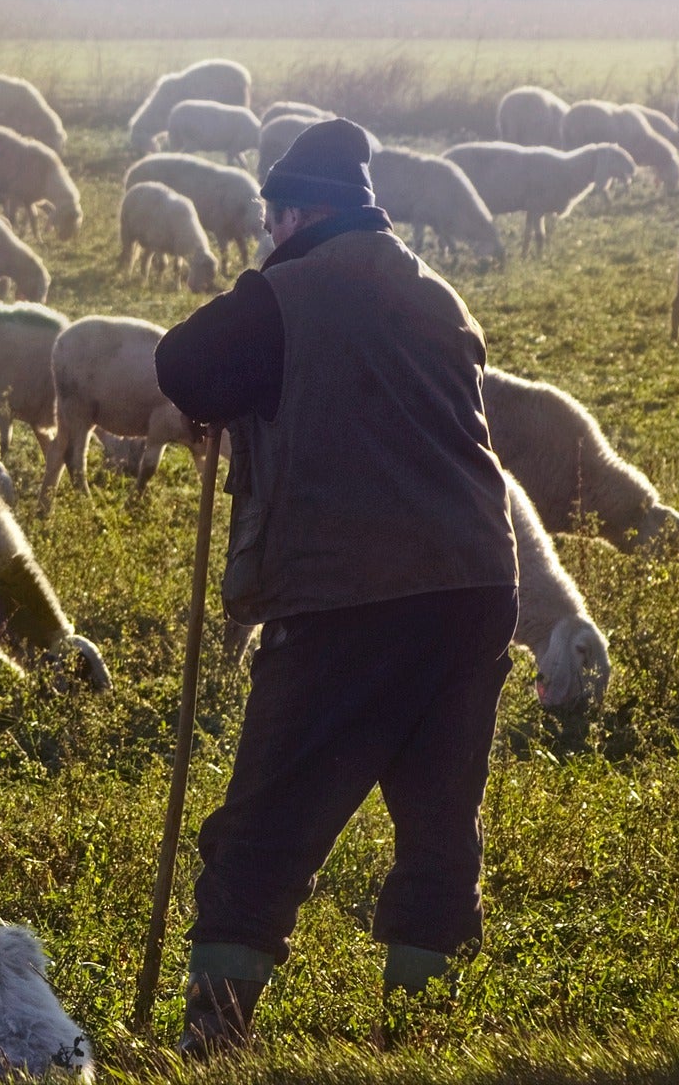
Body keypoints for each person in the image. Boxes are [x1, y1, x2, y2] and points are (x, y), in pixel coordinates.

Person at [152, 118, 519, 1055]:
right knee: (440, 824)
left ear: (293, 212)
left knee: (267, 819)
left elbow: (185, 365)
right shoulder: (438, 295)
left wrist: (256, 297)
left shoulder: (290, 290)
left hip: (352, 593)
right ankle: (419, 1041)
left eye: (273, 219)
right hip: (475, 586)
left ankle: (215, 1042)